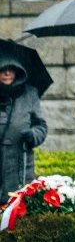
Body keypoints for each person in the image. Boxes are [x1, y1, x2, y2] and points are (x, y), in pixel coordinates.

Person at [0, 55, 48, 196]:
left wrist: (33, 134)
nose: (7, 73)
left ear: (18, 71)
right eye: (3, 69)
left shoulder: (30, 93)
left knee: (17, 209)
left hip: (20, 165)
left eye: (11, 69)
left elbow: (41, 126)